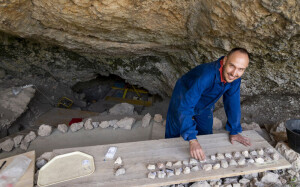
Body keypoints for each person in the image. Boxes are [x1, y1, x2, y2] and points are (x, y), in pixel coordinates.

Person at [165, 47, 251, 160]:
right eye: (232, 66)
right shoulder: (207, 75)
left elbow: (232, 103)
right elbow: (185, 106)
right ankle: (168, 158)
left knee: (205, 132)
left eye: (240, 69)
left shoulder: (235, 78)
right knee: (174, 131)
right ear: (225, 61)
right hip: (185, 95)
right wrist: (192, 139)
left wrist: (234, 130)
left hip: (205, 102)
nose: (234, 73)